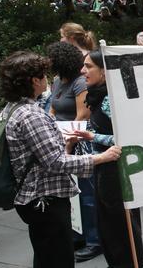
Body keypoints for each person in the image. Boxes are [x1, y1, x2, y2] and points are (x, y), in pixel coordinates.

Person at [0, 51, 121, 268]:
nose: (47, 79)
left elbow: (42, 156)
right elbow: (56, 162)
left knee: (46, 255)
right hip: (46, 201)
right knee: (58, 258)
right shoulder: (31, 115)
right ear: (35, 81)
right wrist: (100, 157)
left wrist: (64, 145)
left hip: (33, 199)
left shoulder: (13, 109)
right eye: (43, 75)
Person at [72, 51, 143, 267]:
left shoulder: (108, 100)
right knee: (109, 226)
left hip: (115, 172)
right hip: (104, 168)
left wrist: (94, 137)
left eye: (88, 66)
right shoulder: (97, 95)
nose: (82, 71)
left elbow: (126, 137)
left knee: (120, 227)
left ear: (104, 72)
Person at [46, 42, 104, 262]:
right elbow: (52, 109)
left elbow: (82, 116)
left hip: (78, 141)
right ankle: (78, 235)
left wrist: (67, 139)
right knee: (72, 194)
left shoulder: (80, 84)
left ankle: (94, 240)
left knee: (87, 194)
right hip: (62, 140)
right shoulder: (58, 82)